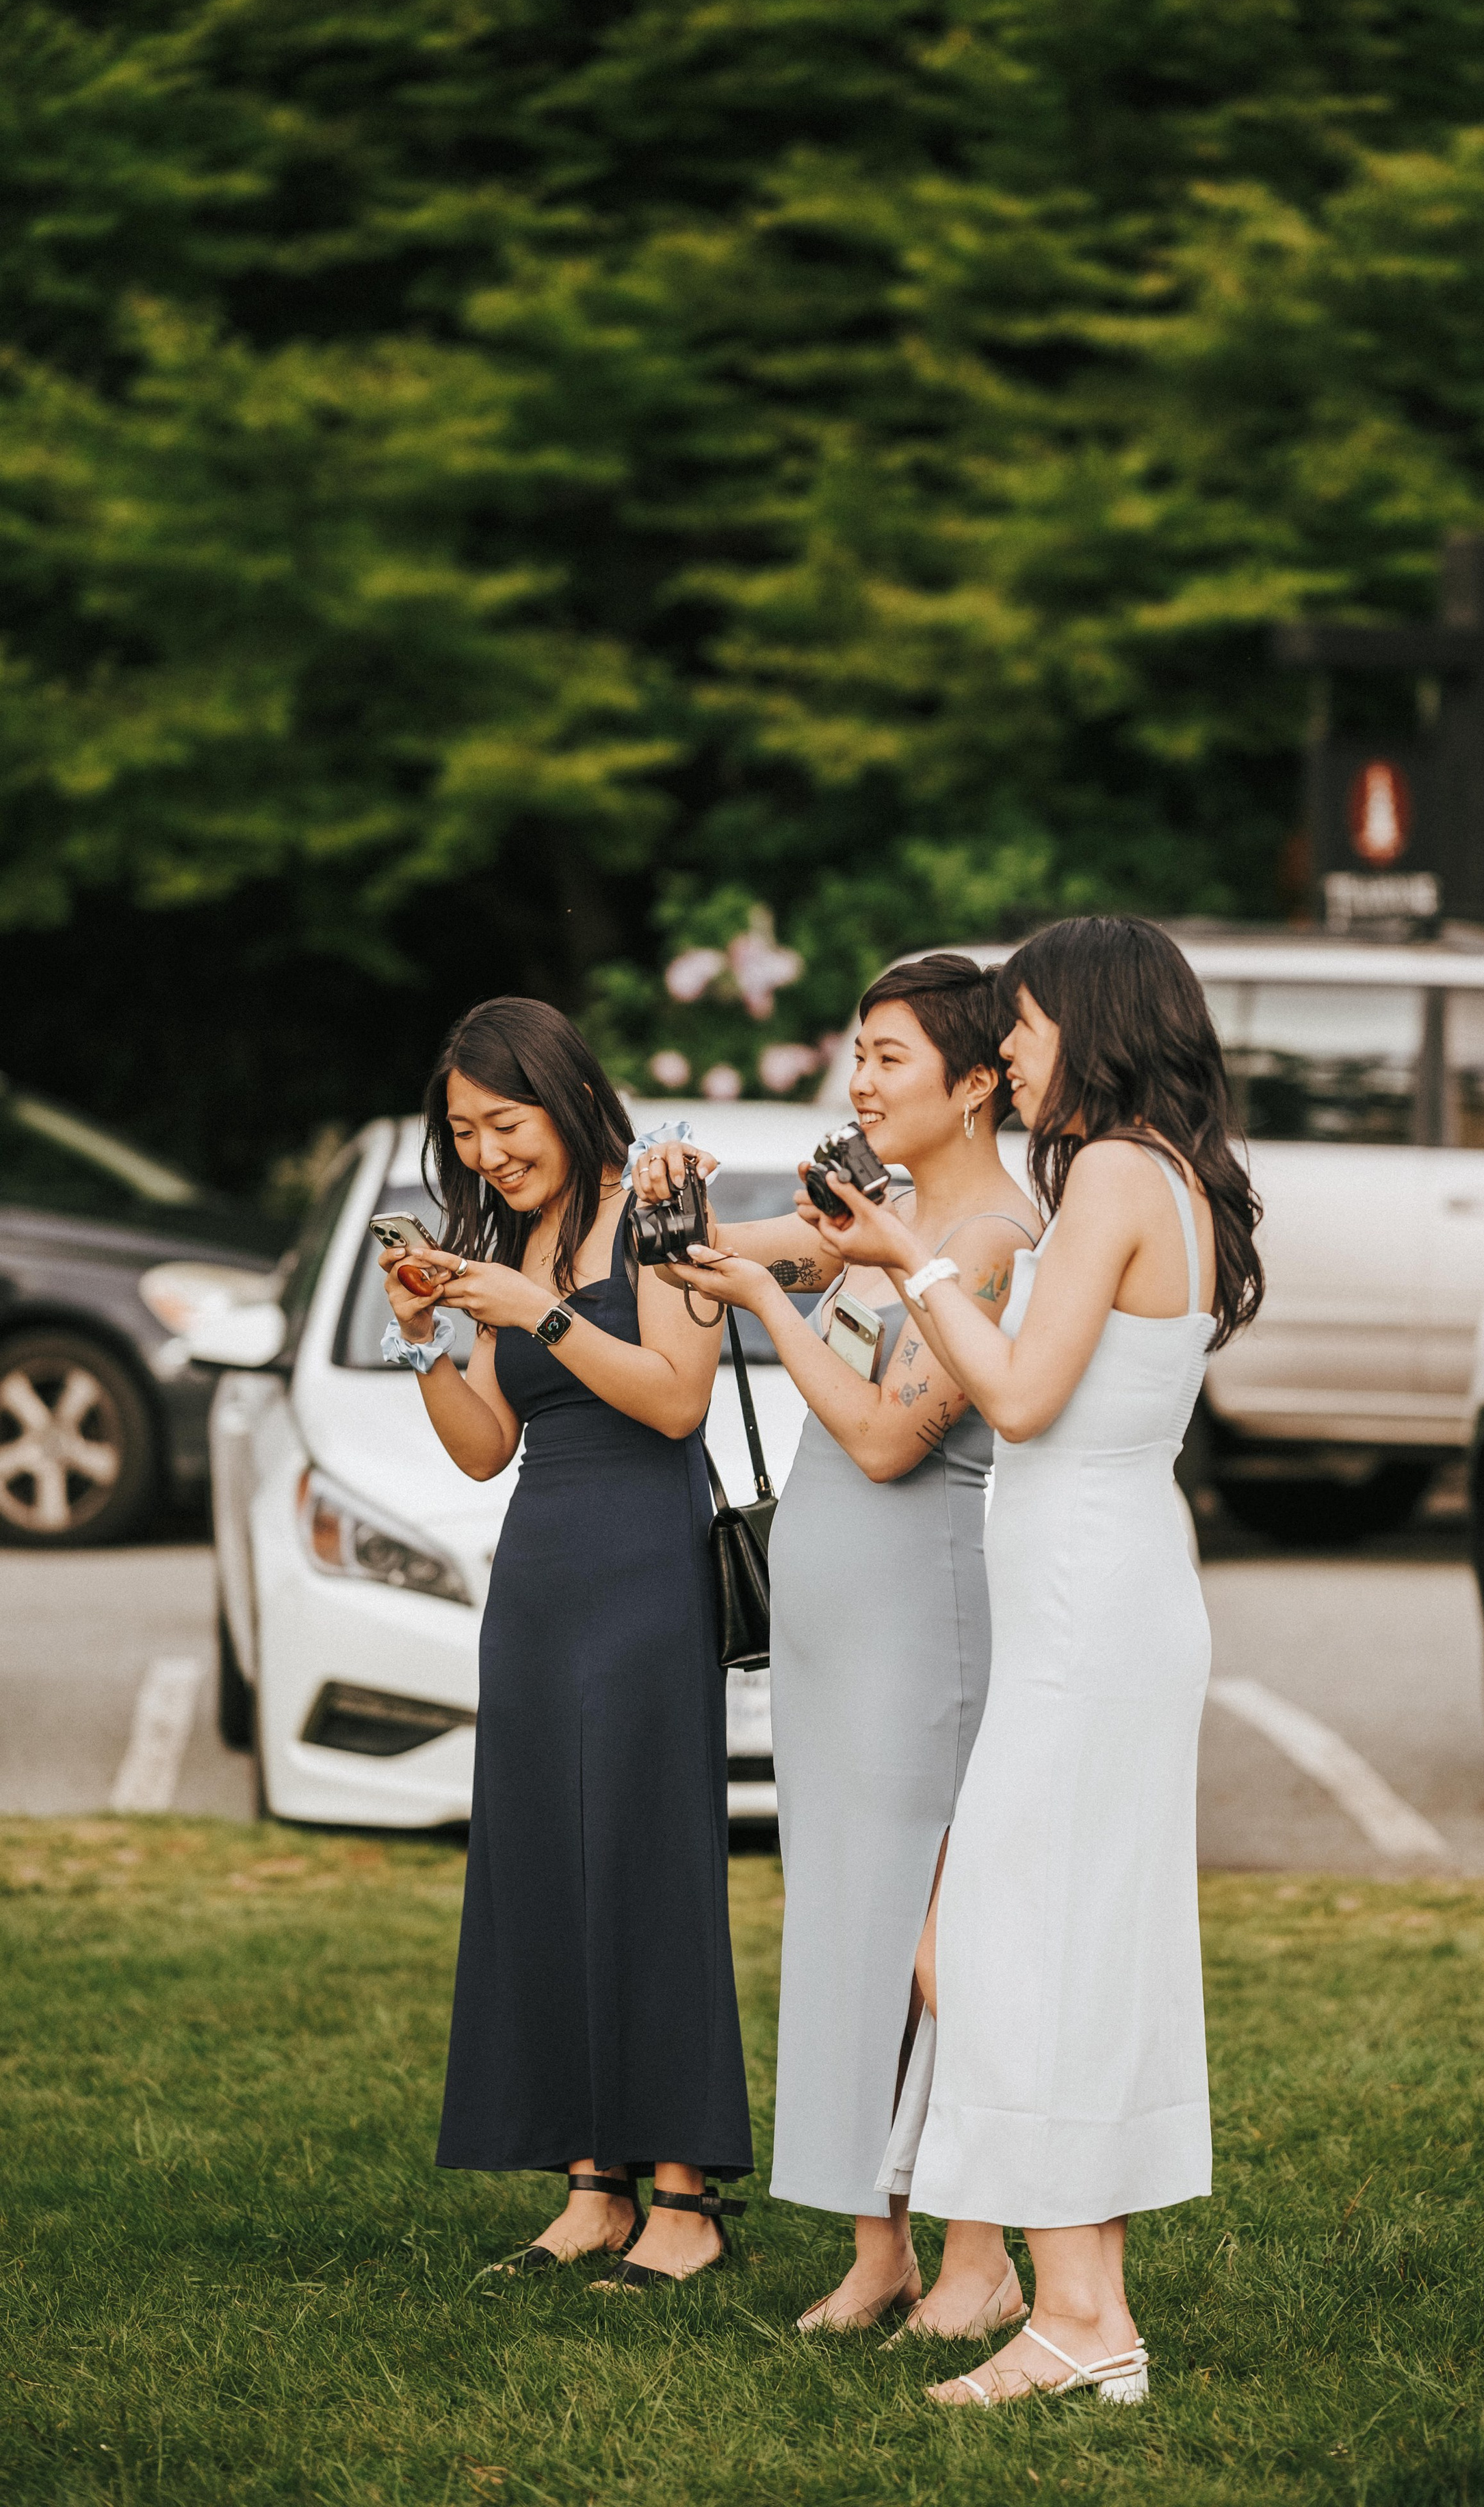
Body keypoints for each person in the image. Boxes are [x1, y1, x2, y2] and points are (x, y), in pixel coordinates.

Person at [807, 916, 1263, 2404]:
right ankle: (1083, 2314)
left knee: (1004, 1951)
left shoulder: (1123, 1174)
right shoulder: (1165, 1176)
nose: (1006, 1049)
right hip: (1111, 1594)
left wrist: (908, 1266)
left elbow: (1011, 1393)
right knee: (1033, 1947)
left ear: (1097, 1021)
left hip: (1083, 1611)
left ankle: (1072, 2318)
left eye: (1023, 1024)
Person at [632, 955, 1039, 2336]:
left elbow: (876, 1437)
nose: (857, 1082)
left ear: (974, 1081)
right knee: (846, 1931)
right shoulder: (898, 1212)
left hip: (915, 1629)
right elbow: (753, 1247)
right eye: (853, 1055)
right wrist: (676, 1205)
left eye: (887, 1057)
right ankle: (881, 2246)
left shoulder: (983, 1238)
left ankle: (982, 2250)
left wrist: (755, 1309)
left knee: (931, 1942)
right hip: (827, 1633)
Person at [380, 996, 752, 2288]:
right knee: (546, 1863)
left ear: (560, 1090)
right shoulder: (508, 1233)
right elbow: (484, 1447)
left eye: (502, 1122)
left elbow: (675, 1399)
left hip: (648, 1568)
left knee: (649, 1860)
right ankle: (592, 2187)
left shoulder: (662, 1207)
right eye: (464, 1133)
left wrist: (535, 1313)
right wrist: (426, 1329)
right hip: (537, 1577)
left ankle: (687, 2202)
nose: (484, 1153)